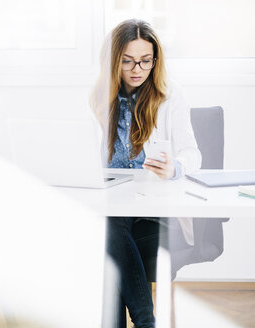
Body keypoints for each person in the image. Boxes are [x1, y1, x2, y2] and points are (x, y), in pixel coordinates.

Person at [90, 19, 202, 328]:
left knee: (107, 241)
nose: (137, 69)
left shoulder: (170, 94)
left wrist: (175, 167)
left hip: (156, 212)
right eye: (127, 61)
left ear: (155, 60)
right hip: (113, 208)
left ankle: (144, 321)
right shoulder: (99, 98)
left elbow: (194, 155)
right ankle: (146, 322)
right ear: (113, 61)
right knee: (109, 228)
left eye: (146, 60)